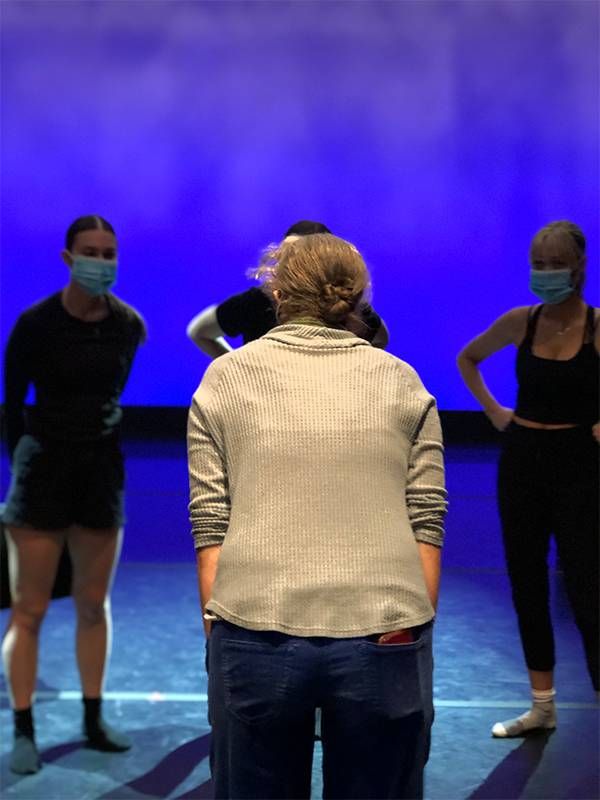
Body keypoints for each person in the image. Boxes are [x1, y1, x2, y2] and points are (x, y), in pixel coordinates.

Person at [187, 233, 447, 799]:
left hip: (253, 627)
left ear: (276, 294)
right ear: (358, 298)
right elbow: (426, 517)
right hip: (386, 632)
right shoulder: (402, 380)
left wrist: (219, 626)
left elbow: (211, 521)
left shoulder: (225, 378)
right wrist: (412, 624)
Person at [2, 215, 146, 774]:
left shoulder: (128, 325)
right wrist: (23, 462)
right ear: (68, 257)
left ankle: (93, 719)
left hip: (100, 474)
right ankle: (23, 729)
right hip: (42, 475)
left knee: (92, 604)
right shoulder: (34, 325)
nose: (101, 261)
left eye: (109, 252)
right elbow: (13, 405)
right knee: (30, 608)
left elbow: (111, 395)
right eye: (90, 251)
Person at [456, 220, 599, 738]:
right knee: (526, 579)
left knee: (588, 584)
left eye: (552, 263)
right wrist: (494, 410)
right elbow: (468, 358)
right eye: (537, 264)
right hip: (523, 459)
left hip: (580, 462)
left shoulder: (598, 326)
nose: (543, 273)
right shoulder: (523, 320)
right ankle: (542, 704)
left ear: (578, 265)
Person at [185, 220, 389, 357]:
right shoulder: (256, 301)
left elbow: (381, 338)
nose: (286, 263)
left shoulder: (351, 306)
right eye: (284, 255)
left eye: (300, 256)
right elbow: (199, 331)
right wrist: (241, 370)